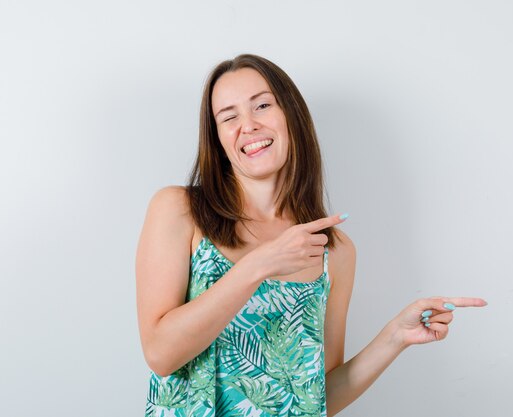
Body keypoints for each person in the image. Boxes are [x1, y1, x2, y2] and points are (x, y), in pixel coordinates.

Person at [135, 53, 487, 417]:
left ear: (291, 115)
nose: (248, 125)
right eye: (229, 117)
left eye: (262, 105)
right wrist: (260, 264)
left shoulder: (333, 250)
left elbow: (319, 395)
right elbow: (161, 354)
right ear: (219, 139)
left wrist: (395, 337)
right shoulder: (179, 210)